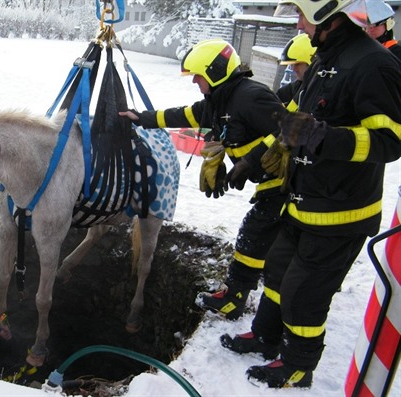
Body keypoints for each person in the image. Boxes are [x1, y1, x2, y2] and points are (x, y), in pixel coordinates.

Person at [221, 0, 401, 388]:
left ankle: (298, 365)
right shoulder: (325, 58)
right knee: (278, 271)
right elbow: (296, 122)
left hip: (341, 213)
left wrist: (324, 137)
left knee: (304, 293)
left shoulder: (373, 65)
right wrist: (257, 158)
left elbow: (390, 141)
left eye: (302, 14)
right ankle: (267, 338)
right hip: (302, 202)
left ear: (327, 16)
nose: (298, 24)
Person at [120, 39, 288, 321]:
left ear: (215, 71)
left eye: (198, 75)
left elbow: (289, 127)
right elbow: (183, 114)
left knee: (255, 234)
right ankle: (237, 293)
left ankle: (236, 299)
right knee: (256, 234)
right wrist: (141, 118)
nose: (195, 81)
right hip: (268, 181)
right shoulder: (219, 100)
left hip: (287, 183)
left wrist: (250, 160)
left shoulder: (251, 97)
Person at [275, 33, 316, 111]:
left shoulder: (322, 93)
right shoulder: (289, 91)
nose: (294, 69)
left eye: (297, 64)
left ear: (312, 63)